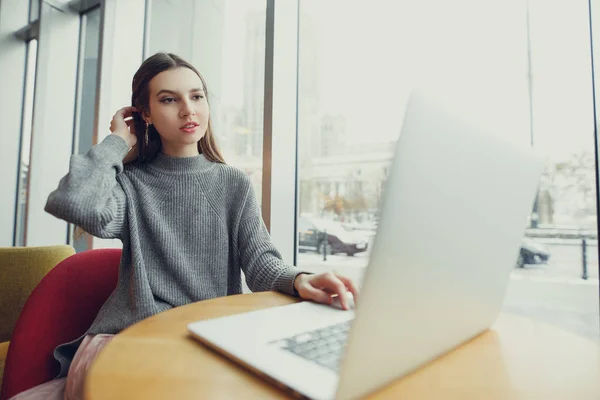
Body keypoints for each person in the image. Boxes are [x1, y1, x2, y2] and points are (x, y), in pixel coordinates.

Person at [10, 52, 359, 400]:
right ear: (144, 114)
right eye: (168, 100)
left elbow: (261, 264)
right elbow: (74, 202)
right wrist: (117, 142)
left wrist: (301, 280)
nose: (188, 110)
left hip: (203, 340)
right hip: (126, 340)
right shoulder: (131, 185)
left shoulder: (233, 184)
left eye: (196, 96)